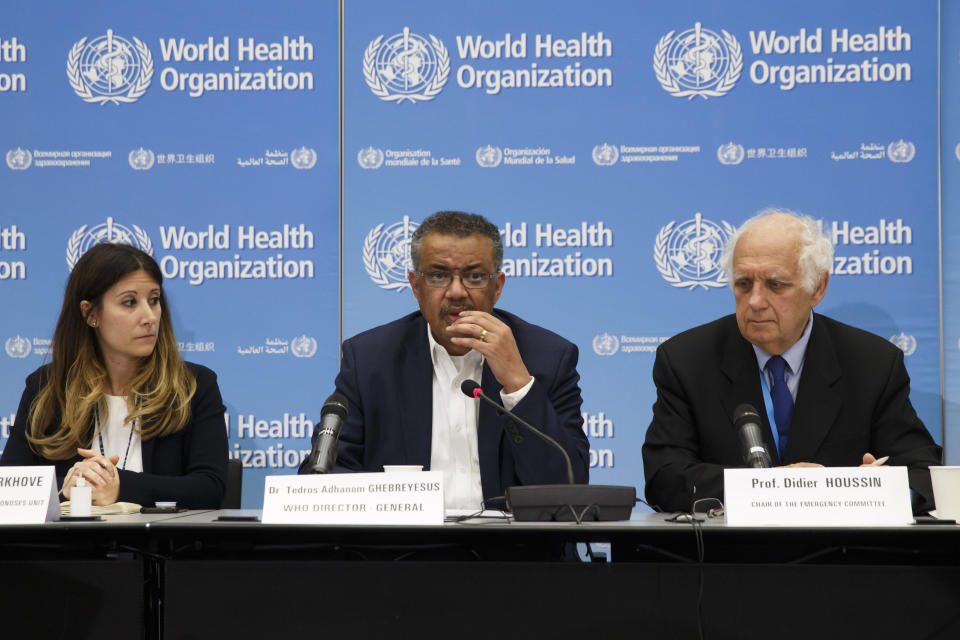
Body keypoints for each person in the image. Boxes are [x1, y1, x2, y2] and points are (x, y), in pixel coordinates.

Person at [642, 209, 941, 513]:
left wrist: (872, 487)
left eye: (775, 285)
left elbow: (923, 477)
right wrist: (770, 486)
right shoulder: (687, 360)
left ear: (818, 287)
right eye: (744, 284)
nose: (755, 301)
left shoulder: (871, 363)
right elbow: (664, 477)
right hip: (730, 555)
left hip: (840, 554)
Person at [301, 211, 588, 512]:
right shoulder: (370, 361)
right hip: (405, 552)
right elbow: (327, 476)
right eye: (438, 275)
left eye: (474, 276)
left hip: (513, 552)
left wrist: (518, 385)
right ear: (415, 285)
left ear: (498, 286)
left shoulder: (548, 358)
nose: (456, 292)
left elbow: (570, 491)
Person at [1, 243, 227, 508]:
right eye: (130, 302)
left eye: (154, 300)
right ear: (90, 314)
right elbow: (10, 486)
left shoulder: (193, 386)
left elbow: (211, 488)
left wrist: (121, 485)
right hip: (70, 548)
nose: (149, 317)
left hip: (162, 547)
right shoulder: (47, 387)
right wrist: (70, 486)